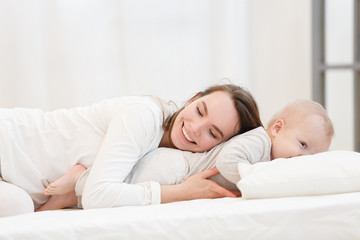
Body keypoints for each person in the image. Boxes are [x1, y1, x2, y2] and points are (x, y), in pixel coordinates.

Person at [0, 83, 263, 217]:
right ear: (193, 99)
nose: (196, 128)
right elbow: (97, 196)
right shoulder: (143, 115)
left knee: (17, 207)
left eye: (213, 133)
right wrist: (178, 193)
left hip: (15, 185)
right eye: (199, 110)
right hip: (7, 142)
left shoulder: (167, 157)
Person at [37, 99, 334, 211]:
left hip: (181, 170)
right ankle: (80, 182)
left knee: (128, 179)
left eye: (309, 156)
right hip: (176, 170)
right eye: (303, 146)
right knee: (131, 180)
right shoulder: (258, 143)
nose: (300, 159)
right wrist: (254, 179)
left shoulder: (271, 156)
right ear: (277, 128)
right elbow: (228, 162)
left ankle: (78, 184)